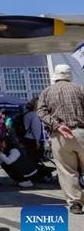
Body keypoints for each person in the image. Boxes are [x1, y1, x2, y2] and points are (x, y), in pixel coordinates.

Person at [36, 64, 84, 215]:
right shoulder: (80, 89)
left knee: (66, 171)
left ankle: (75, 203)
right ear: (69, 75)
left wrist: (57, 125)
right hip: (81, 131)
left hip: (60, 135)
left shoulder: (47, 92)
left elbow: (41, 112)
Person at [21, 99, 44, 165]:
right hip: (32, 139)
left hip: (25, 137)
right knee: (34, 157)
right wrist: (37, 141)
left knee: (28, 157)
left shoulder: (25, 113)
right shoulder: (33, 115)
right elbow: (35, 128)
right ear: (35, 105)